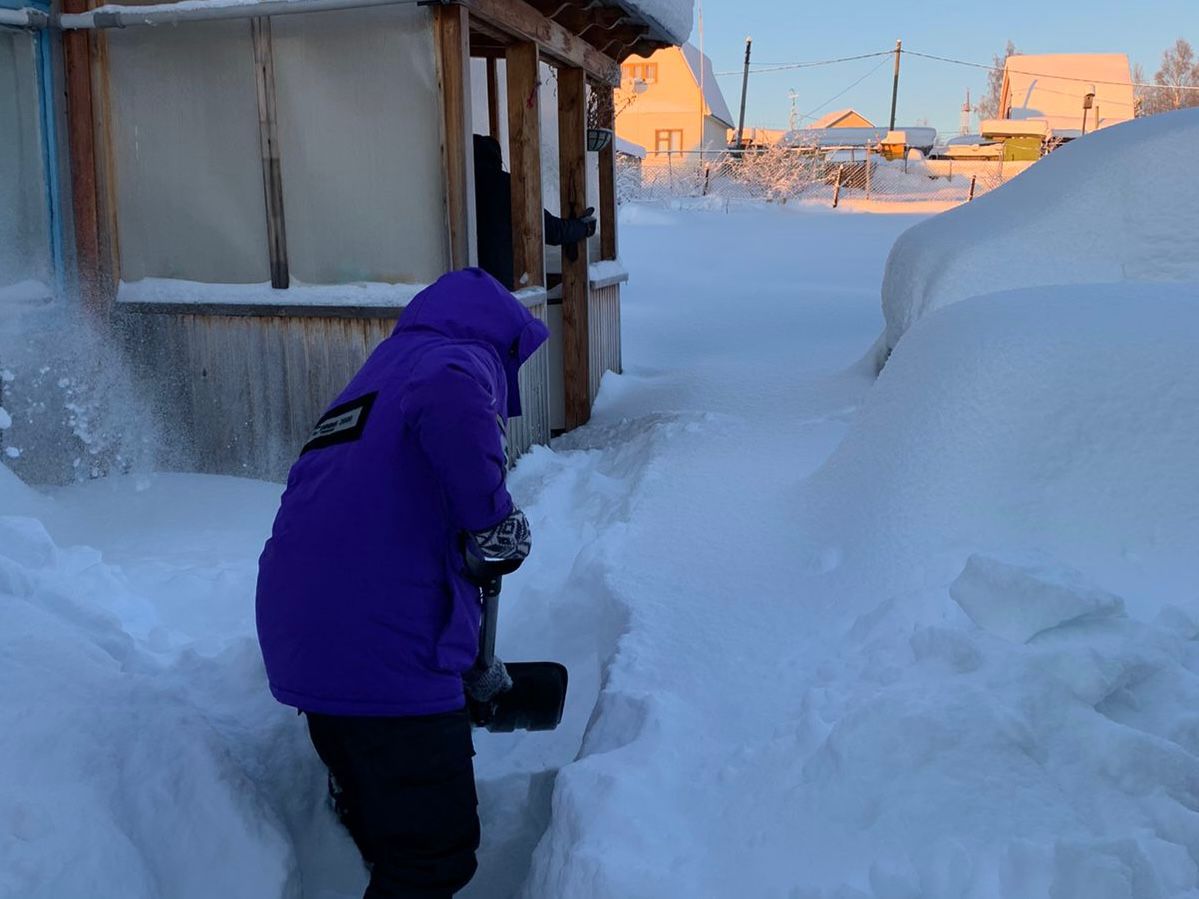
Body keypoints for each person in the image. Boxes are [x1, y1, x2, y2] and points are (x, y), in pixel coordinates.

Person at [256, 268, 550, 898]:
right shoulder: (452, 363)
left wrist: (465, 659)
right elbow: (451, 401)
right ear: (499, 338)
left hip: (311, 650)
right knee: (433, 856)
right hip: (381, 655)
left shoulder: (372, 386)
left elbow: (382, 535)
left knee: (379, 831)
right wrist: (494, 521)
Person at [472, 133, 597, 290]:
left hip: (466, 289)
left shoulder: (460, 188)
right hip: (501, 287)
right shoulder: (507, 187)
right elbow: (547, 228)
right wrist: (583, 227)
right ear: (497, 158)